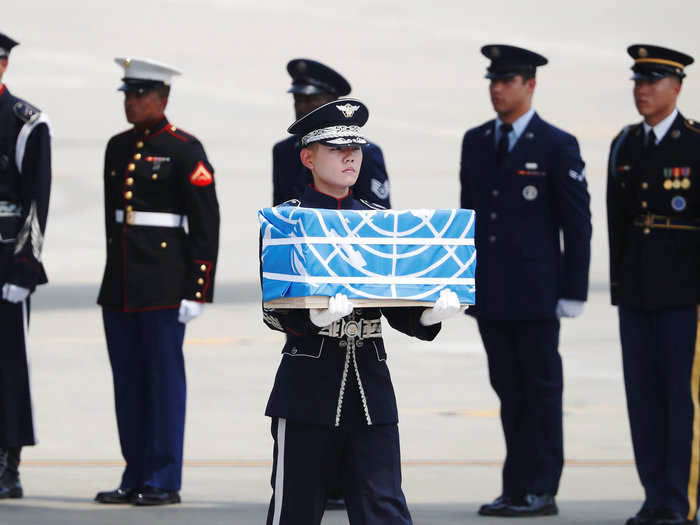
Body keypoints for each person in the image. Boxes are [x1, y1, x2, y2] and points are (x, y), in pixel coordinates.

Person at [262, 98, 461, 525]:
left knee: (384, 509)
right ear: (308, 157)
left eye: (355, 147)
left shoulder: (378, 221)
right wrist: (312, 319)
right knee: (294, 511)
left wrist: (427, 315)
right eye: (336, 148)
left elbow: (395, 304)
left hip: (369, 387)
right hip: (307, 388)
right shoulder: (285, 223)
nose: (350, 156)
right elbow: (273, 310)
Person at [459, 44, 591, 517]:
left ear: (530, 84)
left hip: (537, 297)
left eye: (507, 80)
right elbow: (467, 219)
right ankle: (515, 486)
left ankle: (541, 488)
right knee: (508, 392)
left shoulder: (556, 144)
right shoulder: (475, 140)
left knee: (540, 392)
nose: (497, 88)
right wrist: (460, 283)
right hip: (491, 295)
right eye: (493, 80)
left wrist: (573, 289)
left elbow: (576, 222)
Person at [94, 57, 220, 506]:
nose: (131, 102)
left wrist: (198, 288)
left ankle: (164, 478)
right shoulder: (116, 146)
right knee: (127, 383)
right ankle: (135, 473)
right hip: (122, 285)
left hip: (165, 285)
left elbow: (205, 222)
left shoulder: (185, 148)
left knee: (163, 384)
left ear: (162, 98)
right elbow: (114, 223)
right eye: (127, 94)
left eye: (140, 94)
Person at [607, 44, 700, 525]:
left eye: (652, 82)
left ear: (677, 87)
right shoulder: (625, 143)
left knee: (680, 399)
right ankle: (653, 497)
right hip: (638, 293)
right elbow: (617, 220)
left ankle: (679, 500)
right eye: (638, 82)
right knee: (642, 399)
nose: (642, 91)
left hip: (686, 294)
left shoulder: (694, 141)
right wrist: (619, 285)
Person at [0, 32, 52, 500]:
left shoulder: (25, 122)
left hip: (5, 258)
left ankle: (7, 460)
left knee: (8, 364)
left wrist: (25, 265)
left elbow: (37, 199)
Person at [272, 58, 391, 208]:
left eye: (312, 99)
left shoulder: (368, 152)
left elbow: (379, 216)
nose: (301, 107)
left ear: (332, 102)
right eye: (298, 99)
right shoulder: (284, 150)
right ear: (306, 158)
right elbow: (279, 210)